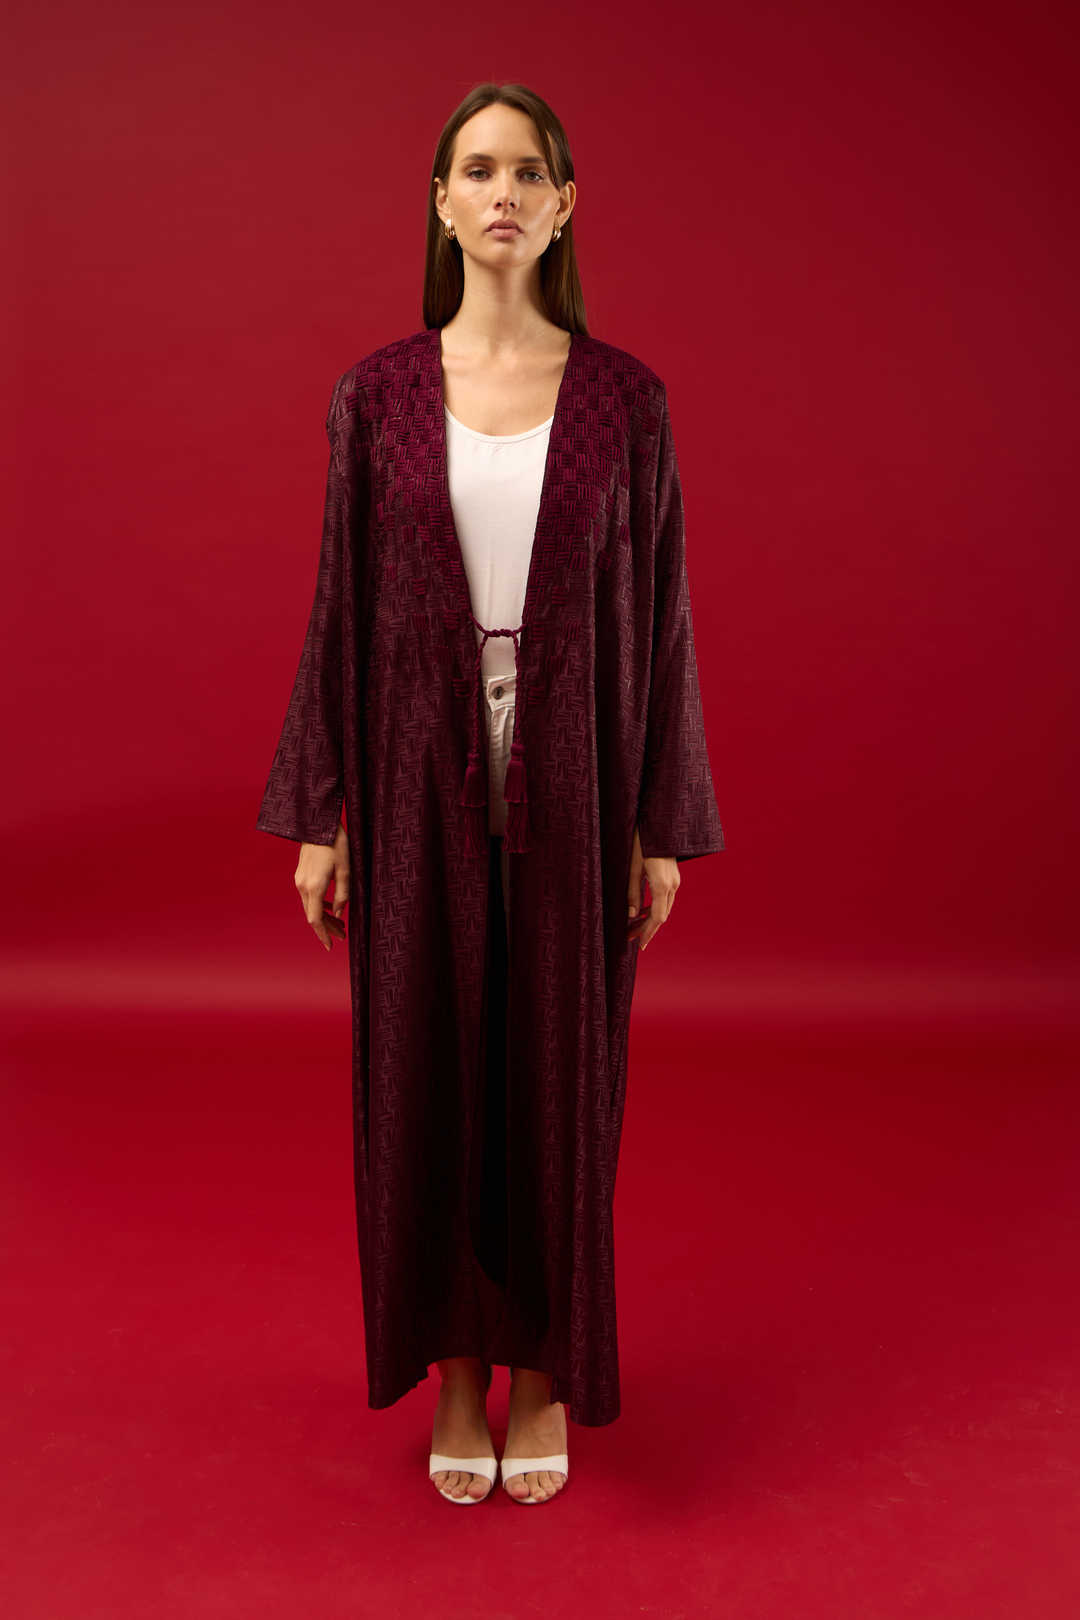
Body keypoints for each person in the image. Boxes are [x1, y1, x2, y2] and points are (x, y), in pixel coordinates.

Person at [255, 82, 725, 1506]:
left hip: (578, 778)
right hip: (414, 778)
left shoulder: (626, 402)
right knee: (424, 1070)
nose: (503, 191)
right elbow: (339, 602)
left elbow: (667, 616)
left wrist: (661, 824)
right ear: (443, 204)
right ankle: (458, 1367)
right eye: (477, 169)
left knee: (560, 1083)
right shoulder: (376, 397)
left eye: (529, 171)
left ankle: (547, 1369)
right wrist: (325, 813)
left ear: (565, 206)